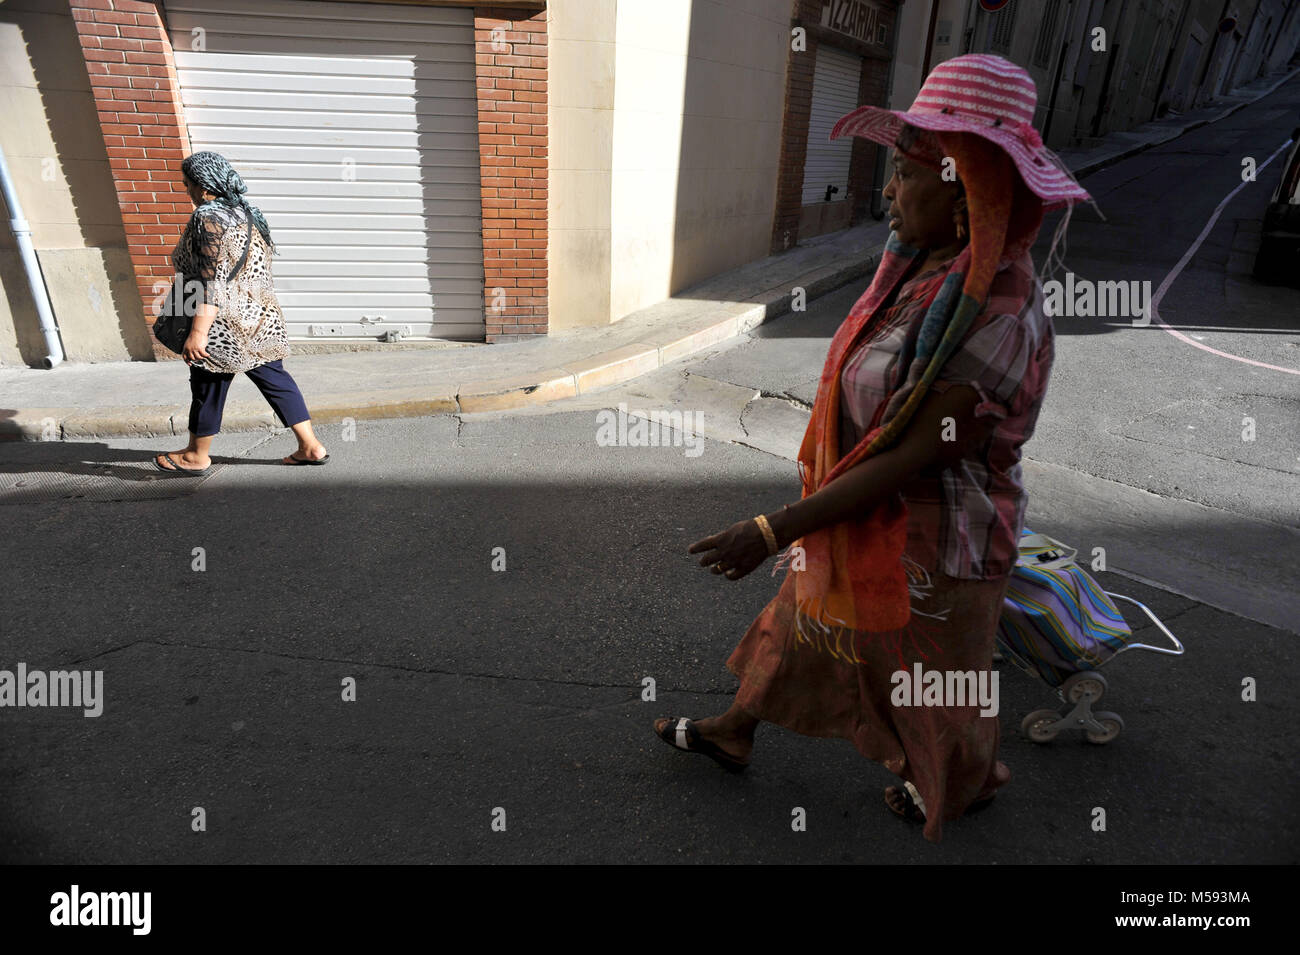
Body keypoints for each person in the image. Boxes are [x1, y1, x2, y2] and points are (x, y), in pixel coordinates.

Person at [653, 55, 1094, 843]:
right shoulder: (921, 268)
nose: (887, 192)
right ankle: (735, 727)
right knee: (801, 619)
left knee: (936, 682)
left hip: (940, 542)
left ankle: (969, 782)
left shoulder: (999, 308)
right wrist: (801, 524)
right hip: (854, 511)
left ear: (964, 189)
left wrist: (773, 528)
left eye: (903, 174)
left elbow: (916, 454)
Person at [153, 151, 329, 474]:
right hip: (260, 317)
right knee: (276, 379)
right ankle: (311, 446)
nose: (187, 191)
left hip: (222, 323)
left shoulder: (207, 218)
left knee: (207, 385)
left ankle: (196, 455)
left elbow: (210, 280)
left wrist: (199, 332)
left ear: (205, 188)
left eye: (188, 185)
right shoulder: (247, 213)